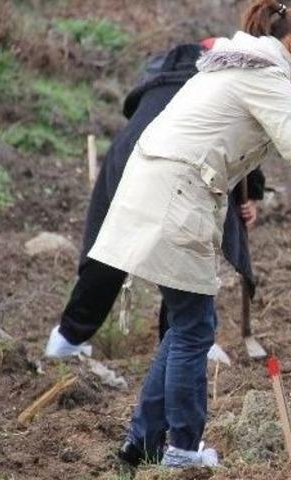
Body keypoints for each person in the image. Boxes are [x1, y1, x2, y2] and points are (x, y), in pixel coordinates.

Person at [87, 0, 291, 469]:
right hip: (176, 196)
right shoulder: (265, 74)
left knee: (186, 324)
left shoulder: (240, 62)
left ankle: (142, 444)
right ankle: (182, 449)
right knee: (194, 329)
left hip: (157, 188)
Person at [43, 41, 266, 358]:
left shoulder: (159, 79)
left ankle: (66, 339)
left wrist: (251, 192)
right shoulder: (216, 90)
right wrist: (252, 194)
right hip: (169, 166)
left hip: (128, 156)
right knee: (184, 255)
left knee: (113, 249)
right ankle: (182, 342)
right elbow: (238, 142)